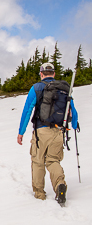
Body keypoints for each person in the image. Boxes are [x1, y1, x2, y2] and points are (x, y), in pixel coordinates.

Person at [17, 62, 78, 205]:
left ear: (41, 74)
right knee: (53, 161)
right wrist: (74, 125)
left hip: (41, 131)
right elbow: (72, 110)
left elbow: (27, 110)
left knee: (38, 161)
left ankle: (39, 194)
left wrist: (21, 132)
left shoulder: (36, 88)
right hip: (58, 131)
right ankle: (59, 185)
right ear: (54, 74)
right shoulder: (63, 89)